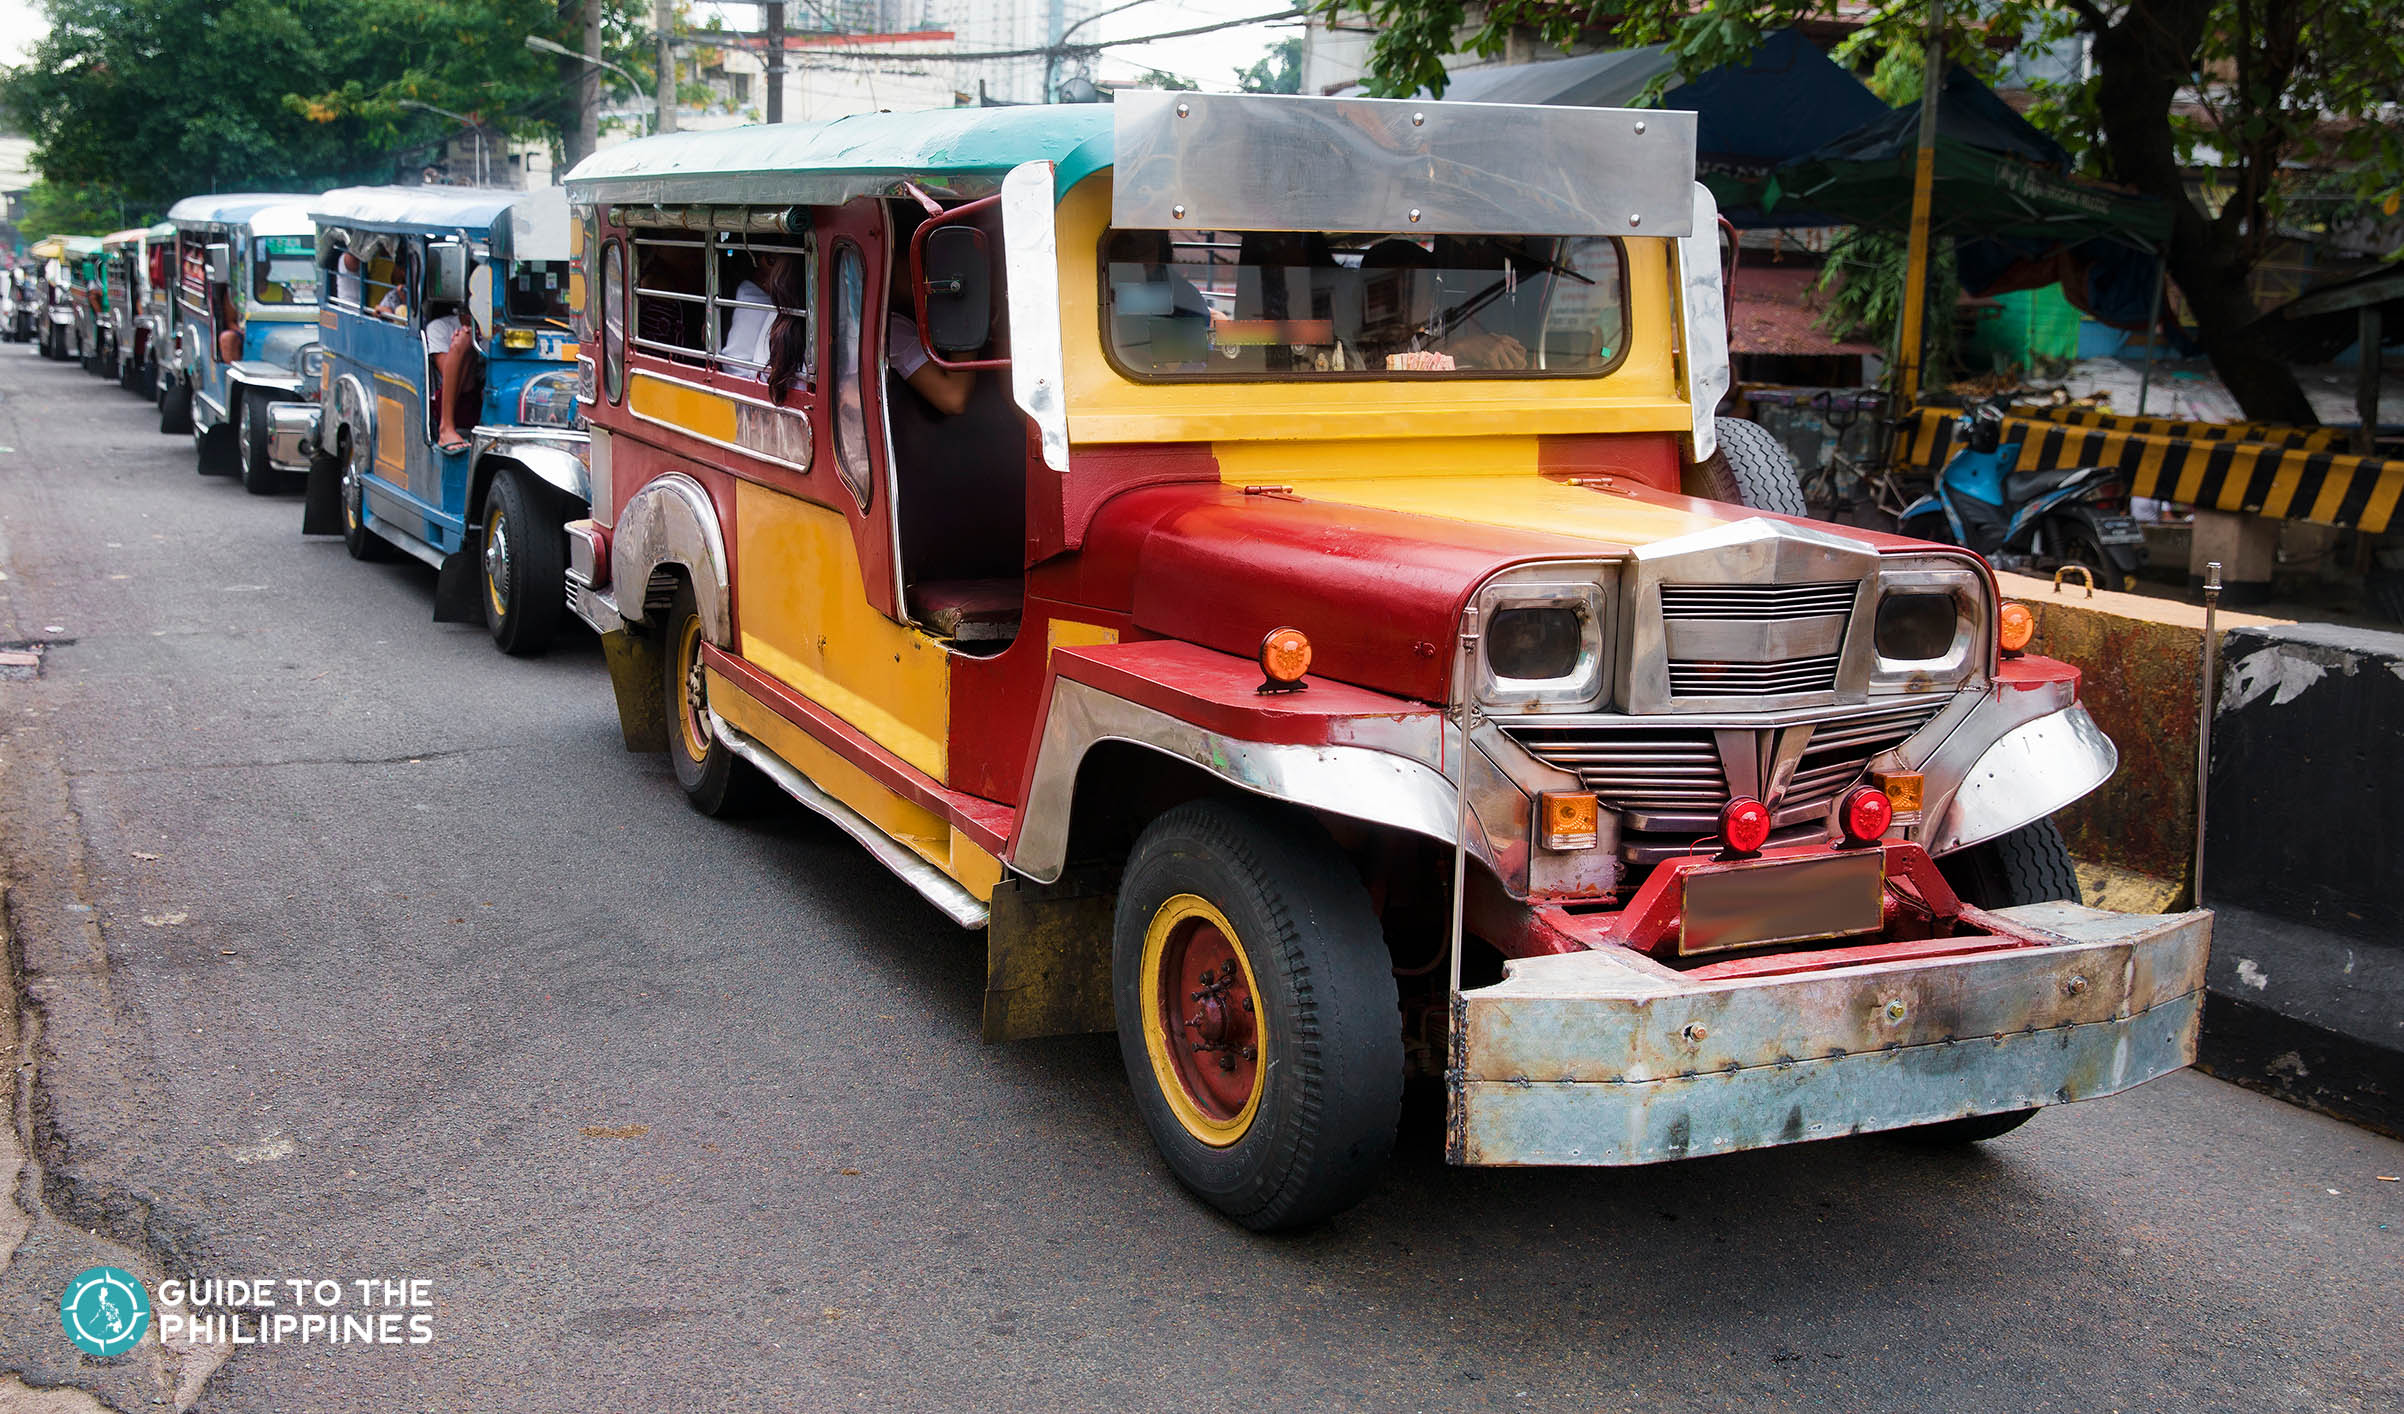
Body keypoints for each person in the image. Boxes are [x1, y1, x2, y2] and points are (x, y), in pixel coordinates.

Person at [421, 299, 479, 454]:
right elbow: (448, 375)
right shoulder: (439, 327)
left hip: (481, 400)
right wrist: (461, 348)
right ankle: (446, 428)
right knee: (465, 340)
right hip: (451, 399)